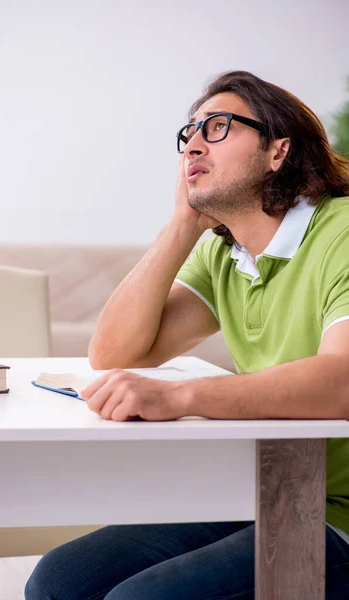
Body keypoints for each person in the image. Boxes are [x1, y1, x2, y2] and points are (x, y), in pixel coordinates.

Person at [25, 70, 349, 599]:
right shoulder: (226, 253)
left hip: (335, 514)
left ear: (278, 151)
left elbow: (342, 383)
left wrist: (179, 396)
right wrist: (182, 222)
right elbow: (114, 353)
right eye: (189, 133)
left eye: (217, 126)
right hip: (270, 492)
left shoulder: (340, 232)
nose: (193, 144)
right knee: (59, 581)